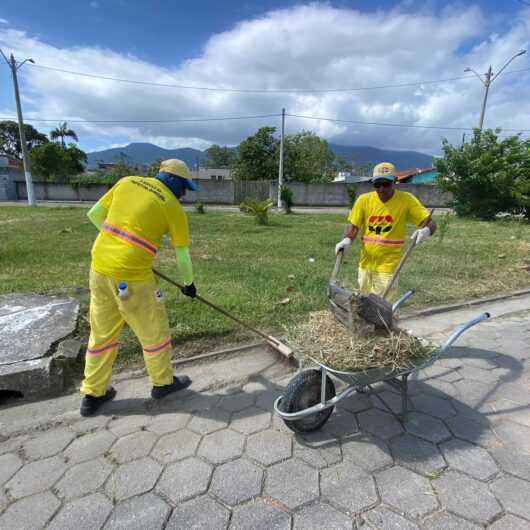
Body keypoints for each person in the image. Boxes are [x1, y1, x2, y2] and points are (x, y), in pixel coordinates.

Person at [80, 159, 198, 416]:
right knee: (154, 332)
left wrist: (121, 246)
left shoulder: (126, 182)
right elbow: (182, 255)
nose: (185, 193)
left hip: (99, 269)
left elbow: (94, 215)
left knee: (101, 335)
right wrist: (189, 284)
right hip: (134, 279)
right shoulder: (172, 207)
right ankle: (163, 384)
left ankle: (92, 394)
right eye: (184, 187)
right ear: (175, 181)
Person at [335, 162, 436, 300]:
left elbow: (431, 223)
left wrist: (426, 231)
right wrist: (346, 240)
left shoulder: (406, 200)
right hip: (366, 263)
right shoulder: (364, 200)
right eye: (377, 184)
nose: (382, 188)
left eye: (386, 184)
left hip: (389, 265)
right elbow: (354, 226)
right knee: (362, 302)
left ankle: (383, 321)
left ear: (395, 181)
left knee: (379, 306)